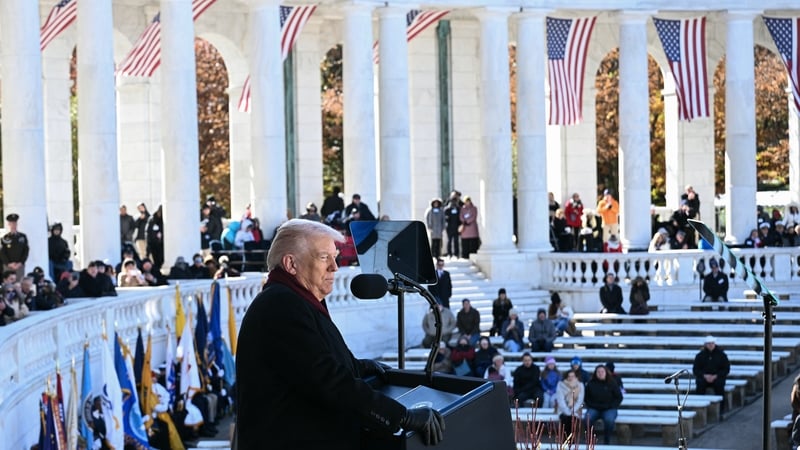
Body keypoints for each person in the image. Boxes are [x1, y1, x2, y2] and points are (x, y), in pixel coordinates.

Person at [234, 219, 445, 449]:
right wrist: (402, 417)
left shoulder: (295, 299)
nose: (335, 267)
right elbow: (329, 381)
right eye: (325, 257)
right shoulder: (281, 304)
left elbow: (311, 365)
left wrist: (360, 367)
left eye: (335, 257)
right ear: (291, 264)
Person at [583, 364, 623, 445]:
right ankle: (591, 438)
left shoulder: (612, 383)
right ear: (595, 373)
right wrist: (591, 405)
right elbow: (586, 398)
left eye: (602, 371)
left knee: (609, 420)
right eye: (598, 372)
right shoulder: (590, 384)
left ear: (606, 372)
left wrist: (612, 406)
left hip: (609, 408)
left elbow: (619, 397)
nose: (600, 373)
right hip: (594, 408)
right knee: (587, 419)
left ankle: (606, 439)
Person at [692, 335, 730, 412]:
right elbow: (695, 369)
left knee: (719, 386)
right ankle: (699, 407)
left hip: (717, 377)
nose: (710, 345)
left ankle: (721, 409)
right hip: (704, 378)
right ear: (705, 345)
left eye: (712, 343)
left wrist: (716, 376)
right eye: (708, 343)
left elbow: (726, 369)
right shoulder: (700, 355)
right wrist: (704, 376)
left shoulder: (722, 355)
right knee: (699, 384)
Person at [0, 214, 29, 280]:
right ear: (9, 224)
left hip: (19, 266)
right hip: (9, 266)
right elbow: (2, 252)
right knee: (9, 285)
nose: (13, 225)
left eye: (15, 223)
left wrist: (21, 262)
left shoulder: (22, 237)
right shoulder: (5, 238)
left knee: (19, 284)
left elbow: (26, 251)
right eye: (12, 223)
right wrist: (9, 263)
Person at [556, 369, 585, 435]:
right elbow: (560, 400)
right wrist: (567, 411)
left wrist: (573, 410)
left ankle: (572, 440)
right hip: (563, 409)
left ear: (576, 377)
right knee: (565, 419)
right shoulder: (560, 384)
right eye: (569, 376)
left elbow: (580, 400)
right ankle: (565, 440)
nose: (571, 378)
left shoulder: (580, 385)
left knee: (573, 420)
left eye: (573, 376)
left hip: (576, 409)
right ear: (566, 377)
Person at [146, 205, 165, 270]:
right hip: (153, 243)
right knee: (155, 259)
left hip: (162, 243)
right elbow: (148, 232)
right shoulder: (152, 219)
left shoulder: (164, 219)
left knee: (161, 259)